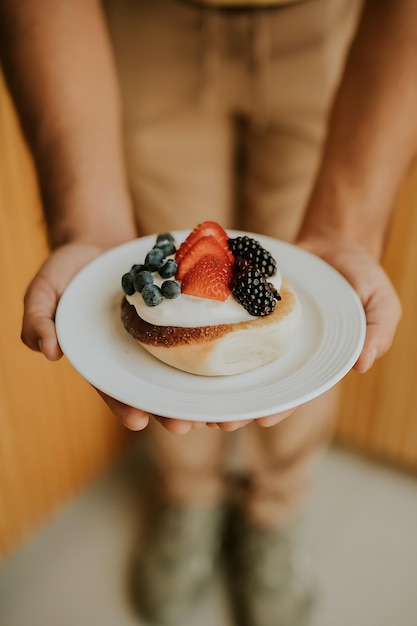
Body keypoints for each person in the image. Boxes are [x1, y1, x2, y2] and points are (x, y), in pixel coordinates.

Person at [0, 0, 413, 624]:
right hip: (146, 28)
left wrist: (348, 228)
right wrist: (86, 224)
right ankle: (189, 498)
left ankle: (274, 508)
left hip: (334, 29)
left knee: (319, 316)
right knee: (162, 282)